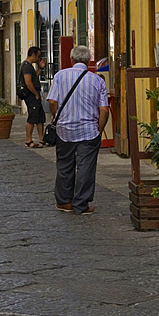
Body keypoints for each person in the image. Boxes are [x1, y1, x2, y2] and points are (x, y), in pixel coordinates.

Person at [46, 45, 110, 216]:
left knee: (64, 165)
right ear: (89, 61)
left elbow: (52, 101)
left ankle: (64, 201)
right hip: (89, 131)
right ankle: (81, 204)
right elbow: (104, 109)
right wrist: (99, 128)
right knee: (85, 167)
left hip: (64, 129)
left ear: (71, 59)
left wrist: (56, 117)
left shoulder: (60, 76)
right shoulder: (97, 80)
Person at [20, 47, 45, 148]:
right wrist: (36, 94)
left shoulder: (30, 67)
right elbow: (28, 82)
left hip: (34, 95)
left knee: (40, 117)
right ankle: (28, 140)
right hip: (31, 95)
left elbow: (34, 77)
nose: (38, 59)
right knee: (32, 117)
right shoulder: (26, 66)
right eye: (38, 56)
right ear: (33, 55)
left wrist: (41, 68)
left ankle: (41, 140)